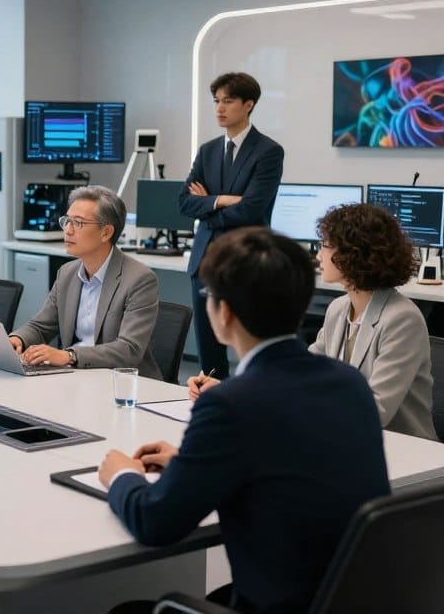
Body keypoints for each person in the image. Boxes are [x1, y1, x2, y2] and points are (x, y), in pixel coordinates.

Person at [100, 227, 389, 614]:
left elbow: (155, 522)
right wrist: (191, 463)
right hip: (346, 597)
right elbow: (287, 462)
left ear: (225, 313)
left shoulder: (229, 404)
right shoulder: (349, 384)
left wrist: (122, 475)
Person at [192, 204, 435, 439]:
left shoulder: (402, 319)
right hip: (344, 436)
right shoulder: (339, 309)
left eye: (325, 246)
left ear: (353, 254)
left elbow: (375, 411)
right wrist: (230, 390)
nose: (318, 254)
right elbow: (297, 373)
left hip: (401, 446)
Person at [179, 72, 283, 378]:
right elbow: (184, 203)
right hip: (204, 261)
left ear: (248, 104)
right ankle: (213, 400)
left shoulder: (268, 151)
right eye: (216, 101)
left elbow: (251, 210)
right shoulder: (208, 150)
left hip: (246, 261)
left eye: (228, 101)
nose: (220, 108)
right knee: (208, 352)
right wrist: (223, 200)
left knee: (250, 344)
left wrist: (207, 206)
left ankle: (251, 399)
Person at [9, 185, 161, 376]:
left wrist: (69, 356)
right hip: (75, 376)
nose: (67, 230)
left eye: (78, 223)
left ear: (106, 232)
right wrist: (18, 339)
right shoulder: (67, 273)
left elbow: (129, 349)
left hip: (121, 382)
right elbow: (41, 326)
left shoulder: (139, 279)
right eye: (67, 221)